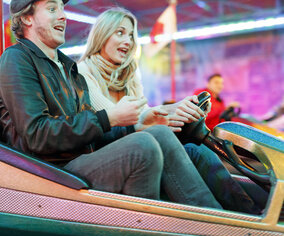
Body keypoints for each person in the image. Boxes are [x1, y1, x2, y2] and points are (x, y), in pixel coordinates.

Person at [0, 0, 223, 208]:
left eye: (63, 9)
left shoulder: (67, 68)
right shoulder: (17, 59)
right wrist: (109, 118)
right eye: (52, 9)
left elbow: (89, 134)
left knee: (159, 134)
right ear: (26, 18)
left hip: (77, 161)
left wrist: (137, 125)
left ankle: (221, 224)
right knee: (143, 147)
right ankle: (146, 231)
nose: (63, 16)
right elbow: (37, 134)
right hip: (49, 173)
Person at [78, 8, 260, 214]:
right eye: (120, 33)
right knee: (163, 135)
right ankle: (213, 219)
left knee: (198, 150)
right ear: (102, 34)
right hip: (111, 151)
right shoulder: (84, 72)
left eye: (131, 35)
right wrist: (165, 114)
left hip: (136, 140)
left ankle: (249, 214)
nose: (128, 41)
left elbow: (144, 113)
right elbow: (115, 118)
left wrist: (178, 108)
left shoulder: (128, 74)